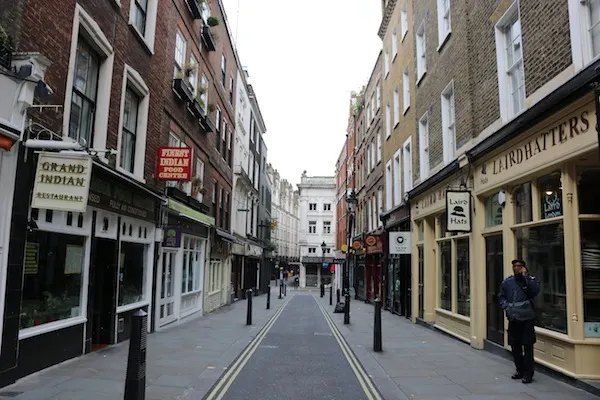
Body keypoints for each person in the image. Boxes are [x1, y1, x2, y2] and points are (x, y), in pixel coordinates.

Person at [498, 259, 540, 384]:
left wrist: (526, 277)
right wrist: (506, 306)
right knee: (515, 346)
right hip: (514, 318)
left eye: (519, 266)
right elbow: (501, 296)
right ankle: (519, 370)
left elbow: (535, 292)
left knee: (527, 346)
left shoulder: (530, 281)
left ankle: (528, 373)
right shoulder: (507, 282)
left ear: (524, 267)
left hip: (527, 319)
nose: (516, 268)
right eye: (514, 266)